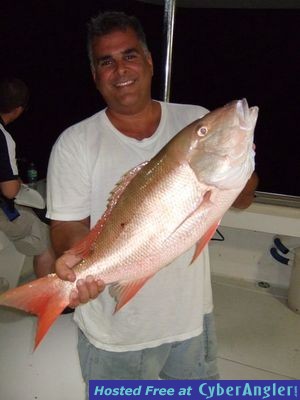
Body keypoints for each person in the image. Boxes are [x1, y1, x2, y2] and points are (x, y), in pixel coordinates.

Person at [46, 11, 258, 387]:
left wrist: (240, 162)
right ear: (95, 76)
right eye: (105, 62)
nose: (120, 69)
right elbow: (66, 225)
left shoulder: (192, 119)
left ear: (148, 61)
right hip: (114, 333)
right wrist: (76, 265)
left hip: (190, 322)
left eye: (129, 55)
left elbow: (241, 198)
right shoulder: (75, 142)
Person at [0, 77, 55, 278]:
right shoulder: (3, 137)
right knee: (45, 238)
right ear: (18, 109)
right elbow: (9, 191)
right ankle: (45, 301)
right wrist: (15, 182)